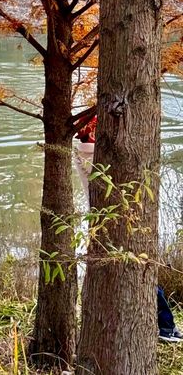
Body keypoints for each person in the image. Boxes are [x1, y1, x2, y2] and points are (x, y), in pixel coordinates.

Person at [72, 110, 183, 342]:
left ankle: (154, 325)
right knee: (141, 273)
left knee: (125, 275)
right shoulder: (95, 156)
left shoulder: (83, 152)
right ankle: (166, 327)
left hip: (102, 224)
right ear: (94, 133)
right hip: (120, 226)